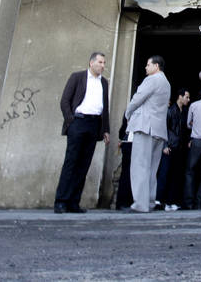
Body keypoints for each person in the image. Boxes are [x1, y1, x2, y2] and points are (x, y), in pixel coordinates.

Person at [52, 51, 111, 214]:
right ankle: (61, 201)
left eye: (104, 63)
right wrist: (70, 121)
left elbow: (105, 107)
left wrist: (106, 129)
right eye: (100, 62)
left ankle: (73, 202)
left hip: (94, 124)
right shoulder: (77, 77)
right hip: (78, 122)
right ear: (91, 63)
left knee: (84, 164)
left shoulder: (104, 83)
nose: (103, 65)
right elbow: (65, 100)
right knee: (71, 162)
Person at [124, 55, 170, 212]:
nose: (145, 67)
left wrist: (128, 113)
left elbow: (138, 98)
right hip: (159, 130)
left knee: (140, 166)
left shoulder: (152, 80)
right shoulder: (166, 83)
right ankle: (150, 201)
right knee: (151, 168)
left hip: (145, 127)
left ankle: (140, 204)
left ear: (156, 66)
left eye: (148, 64)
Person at [159, 88, 190, 211]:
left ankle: (173, 201)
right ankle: (165, 201)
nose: (188, 99)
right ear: (180, 97)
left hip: (180, 147)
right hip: (171, 146)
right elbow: (165, 129)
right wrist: (165, 145)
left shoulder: (185, 112)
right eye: (186, 97)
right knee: (167, 174)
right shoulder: (171, 111)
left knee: (177, 175)